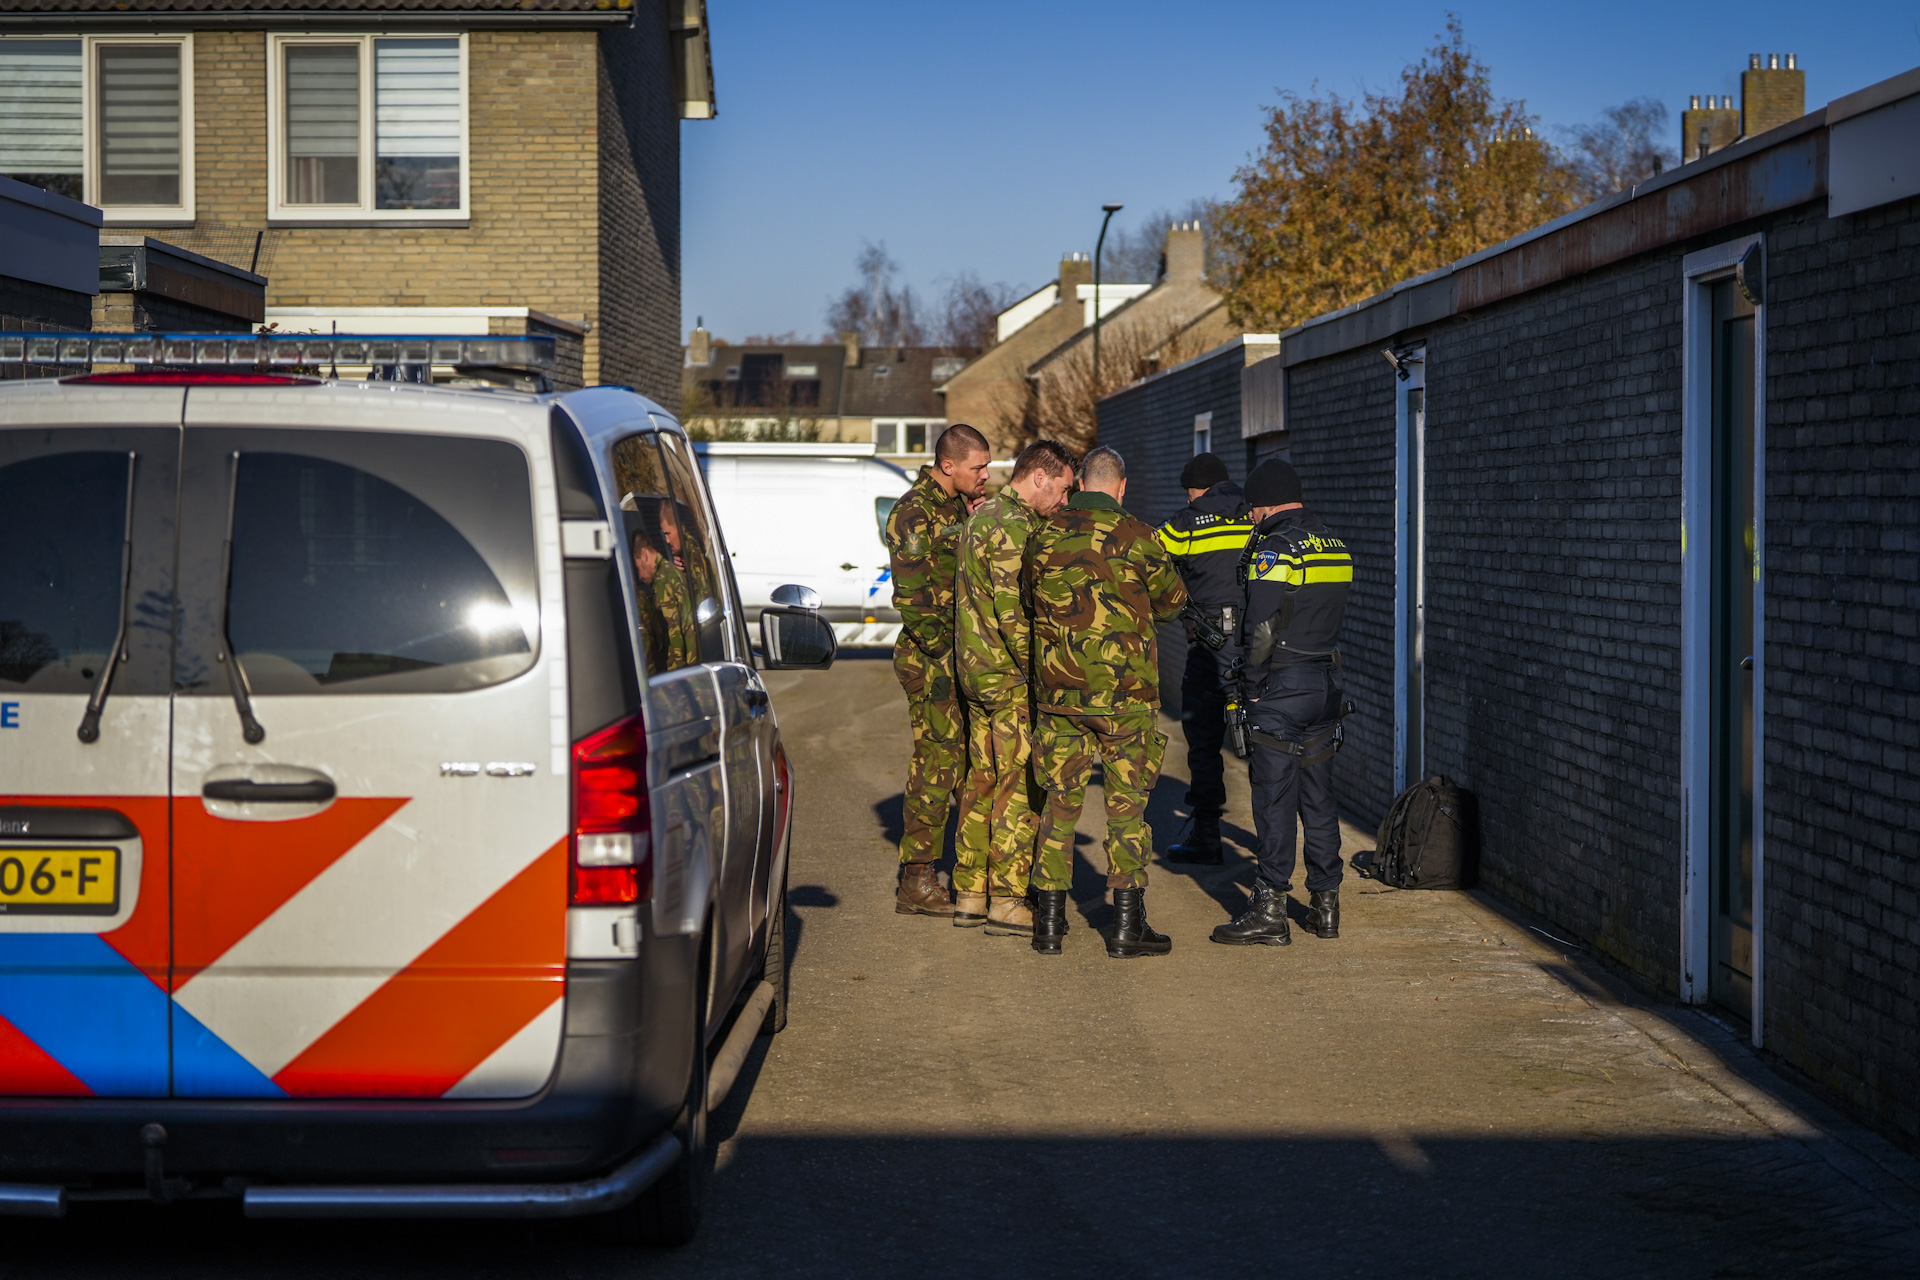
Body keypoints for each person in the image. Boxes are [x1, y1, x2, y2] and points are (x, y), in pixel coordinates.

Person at [1027, 446, 1187, 957]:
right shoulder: (1140, 537)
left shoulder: (1043, 535)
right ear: (1121, 487)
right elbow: (1172, 604)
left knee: (1058, 806)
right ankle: (1126, 926)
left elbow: (1031, 600)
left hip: (1060, 696)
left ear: (1079, 486)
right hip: (1126, 699)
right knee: (1127, 811)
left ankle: (1048, 924)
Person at [1212, 457, 1353, 946]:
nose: (1250, 516)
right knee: (1318, 797)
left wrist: (1250, 688)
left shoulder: (1276, 548)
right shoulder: (1333, 543)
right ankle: (1326, 904)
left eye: (1252, 507)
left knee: (1274, 800)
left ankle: (1270, 907)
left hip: (1282, 687)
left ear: (1264, 502)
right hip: (1325, 684)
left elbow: (1263, 627)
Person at [952, 438, 1076, 935]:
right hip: (1010, 680)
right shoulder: (1014, 528)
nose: (1065, 502)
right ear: (1039, 476)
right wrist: (1049, 675)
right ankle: (1006, 899)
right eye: (1063, 490)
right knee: (1018, 788)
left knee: (980, 783)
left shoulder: (979, 518)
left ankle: (970, 894)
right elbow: (1014, 616)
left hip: (976, 673)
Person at [884, 423, 993, 916]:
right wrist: (946, 654)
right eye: (978, 467)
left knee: (966, 761)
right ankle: (916, 878)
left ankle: (966, 866)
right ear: (948, 465)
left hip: (959, 655)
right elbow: (911, 599)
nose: (986, 475)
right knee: (937, 761)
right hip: (933, 661)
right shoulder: (913, 512)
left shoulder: (953, 506)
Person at [1156, 452, 1256, 864]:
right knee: (1265, 744)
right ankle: (1272, 840)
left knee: (1204, 743)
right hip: (1257, 650)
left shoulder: (1186, 523)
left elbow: (1145, 557)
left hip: (1210, 651)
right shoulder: (1256, 516)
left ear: (1196, 490)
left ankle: (1207, 835)